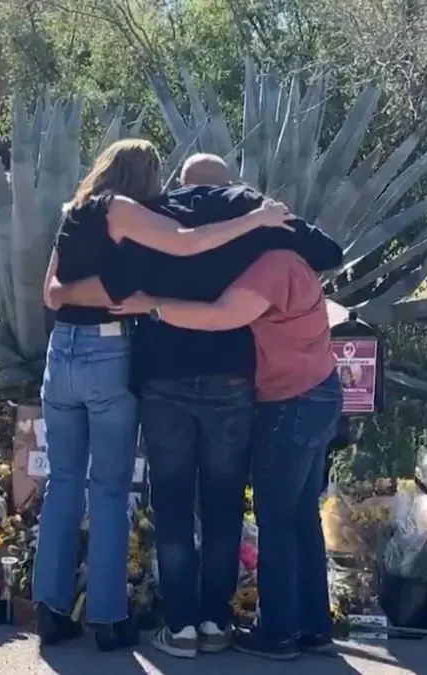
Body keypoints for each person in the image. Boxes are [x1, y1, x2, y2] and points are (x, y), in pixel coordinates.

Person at [47, 154, 342, 659]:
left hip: (162, 375)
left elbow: (115, 282)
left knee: (173, 505)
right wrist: (264, 217)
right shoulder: (252, 213)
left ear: (180, 183)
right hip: (230, 381)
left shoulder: (151, 214)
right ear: (232, 184)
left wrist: (73, 292)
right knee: (224, 505)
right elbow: (327, 251)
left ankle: (180, 626)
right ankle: (215, 621)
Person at [114, 246, 342, 661]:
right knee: (301, 516)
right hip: (321, 392)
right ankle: (314, 627)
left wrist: (154, 305)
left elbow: (221, 315)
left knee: (275, 520)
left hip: (288, 403)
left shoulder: (271, 266)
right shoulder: (299, 263)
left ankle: (277, 632)